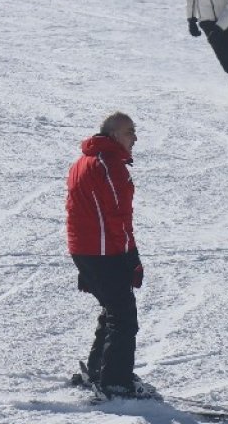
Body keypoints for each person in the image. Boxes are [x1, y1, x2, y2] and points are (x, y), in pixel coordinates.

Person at [65, 112, 158, 400]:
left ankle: (99, 371)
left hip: (88, 249)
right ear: (115, 135)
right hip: (104, 251)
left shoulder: (83, 162)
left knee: (113, 311)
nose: (135, 138)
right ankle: (116, 384)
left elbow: (77, 211)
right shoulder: (109, 166)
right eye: (130, 132)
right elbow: (119, 218)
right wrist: (132, 258)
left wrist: (84, 261)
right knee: (123, 317)